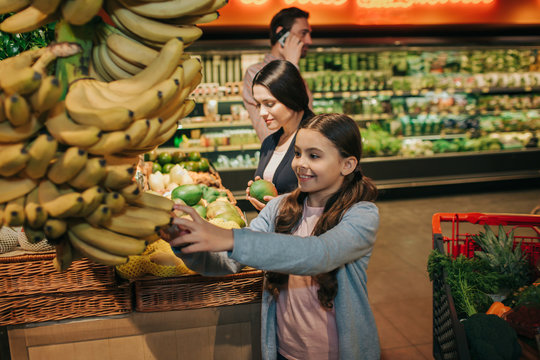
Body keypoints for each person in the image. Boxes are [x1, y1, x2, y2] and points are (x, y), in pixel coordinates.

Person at [164, 113, 381, 360]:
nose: (300, 163)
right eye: (297, 153)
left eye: (314, 155)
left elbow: (318, 254)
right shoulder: (278, 208)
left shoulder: (361, 215)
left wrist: (230, 238)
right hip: (284, 351)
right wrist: (185, 242)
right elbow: (227, 262)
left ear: (347, 165)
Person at [246, 59, 314, 211]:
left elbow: (330, 200)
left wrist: (282, 206)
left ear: (291, 96)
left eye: (269, 104)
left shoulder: (317, 138)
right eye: (258, 104)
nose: (262, 113)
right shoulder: (269, 143)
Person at [243, 7, 313, 141]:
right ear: (282, 34)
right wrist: (291, 68)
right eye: (303, 33)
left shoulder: (296, 71)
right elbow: (270, 135)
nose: (309, 41)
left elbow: (309, 123)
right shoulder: (255, 74)